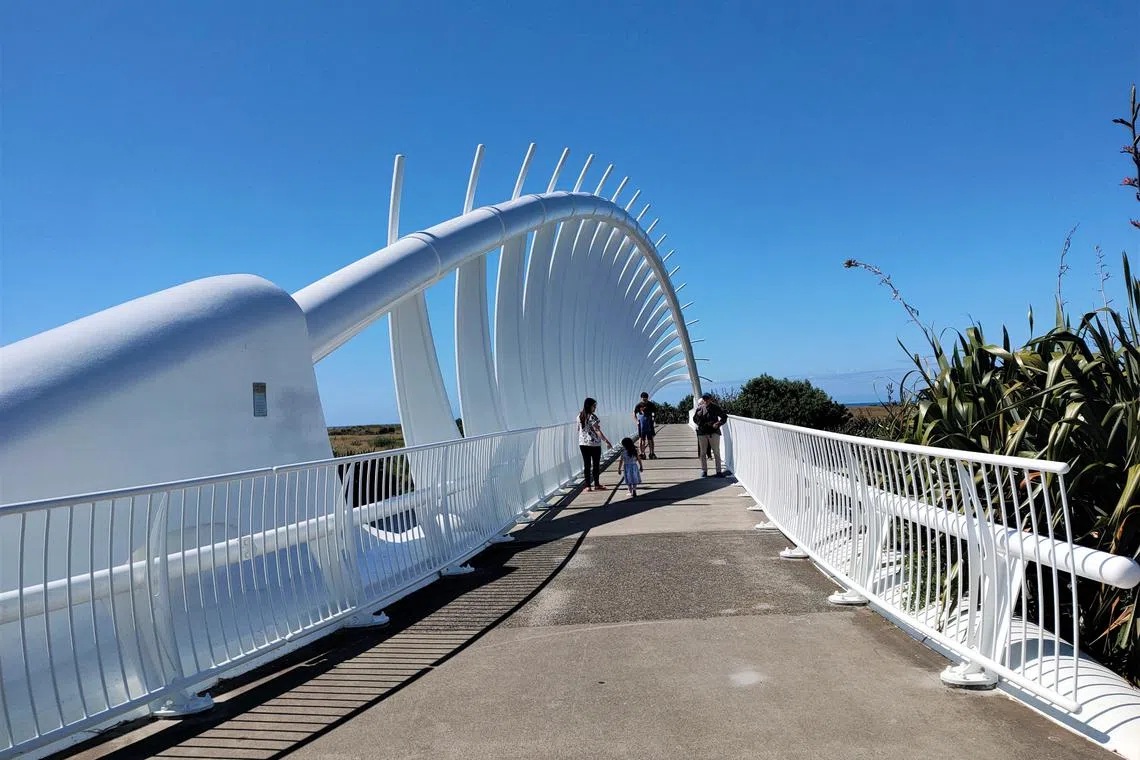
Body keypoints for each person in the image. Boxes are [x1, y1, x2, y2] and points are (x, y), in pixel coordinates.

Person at [577, 397, 611, 492]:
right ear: (589, 406)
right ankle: (596, 484)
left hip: (583, 443)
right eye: (594, 406)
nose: (595, 408)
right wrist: (606, 441)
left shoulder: (579, 416)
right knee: (596, 465)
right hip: (594, 444)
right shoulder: (592, 417)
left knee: (587, 465)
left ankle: (588, 486)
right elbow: (597, 430)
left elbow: (578, 429)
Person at [693, 392, 728, 478]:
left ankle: (718, 472)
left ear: (710, 399)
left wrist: (718, 423)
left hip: (713, 432)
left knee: (716, 452)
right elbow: (694, 419)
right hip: (702, 433)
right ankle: (704, 471)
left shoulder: (715, 407)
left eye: (707, 398)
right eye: (704, 398)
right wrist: (699, 424)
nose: (706, 400)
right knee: (703, 453)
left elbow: (724, 417)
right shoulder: (700, 408)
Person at [633, 391, 657, 459]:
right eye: (643, 399)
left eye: (646, 399)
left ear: (647, 398)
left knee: (650, 439)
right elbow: (634, 413)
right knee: (641, 439)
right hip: (642, 424)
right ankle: (642, 453)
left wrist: (653, 419)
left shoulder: (651, 405)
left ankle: (652, 453)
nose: (645, 401)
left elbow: (654, 413)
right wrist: (637, 421)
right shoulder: (639, 405)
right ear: (641, 398)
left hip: (649, 423)